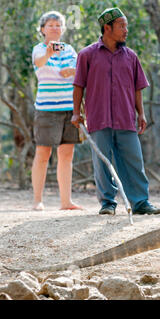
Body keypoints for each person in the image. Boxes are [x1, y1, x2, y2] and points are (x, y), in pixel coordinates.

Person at [71, 7, 160, 216]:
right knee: (102, 162)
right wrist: (76, 112)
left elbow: (138, 87)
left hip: (125, 118)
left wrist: (141, 114)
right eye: (121, 26)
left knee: (134, 160)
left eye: (126, 26)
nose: (125, 30)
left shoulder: (131, 56)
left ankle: (140, 202)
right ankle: (108, 203)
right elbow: (78, 86)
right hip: (98, 117)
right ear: (107, 28)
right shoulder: (87, 55)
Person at [31, 11, 82, 211]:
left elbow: (78, 71)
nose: (55, 28)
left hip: (69, 108)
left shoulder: (69, 50)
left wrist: (72, 72)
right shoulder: (39, 49)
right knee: (43, 152)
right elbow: (39, 63)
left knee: (66, 154)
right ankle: (37, 200)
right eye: (50, 25)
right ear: (43, 29)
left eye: (58, 25)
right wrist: (49, 54)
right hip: (46, 108)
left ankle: (65, 201)